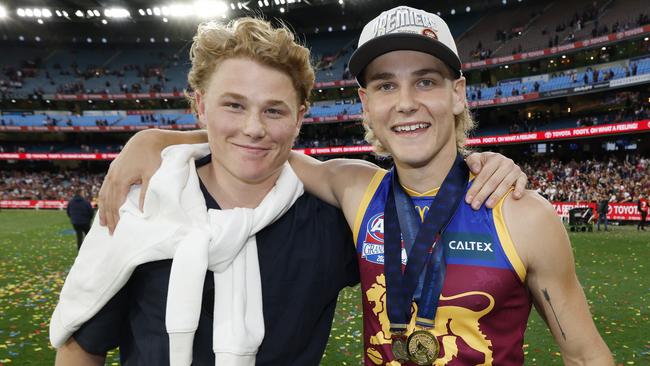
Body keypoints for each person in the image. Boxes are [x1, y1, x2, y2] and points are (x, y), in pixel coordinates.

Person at [53, 17, 526, 366]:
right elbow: (81, 347)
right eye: (233, 106)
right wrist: (151, 139)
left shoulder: (333, 218)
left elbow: (425, 211)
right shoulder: (143, 205)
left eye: (274, 111)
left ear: (300, 117)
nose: (254, 129)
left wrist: (482, 164)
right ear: (199, 106)